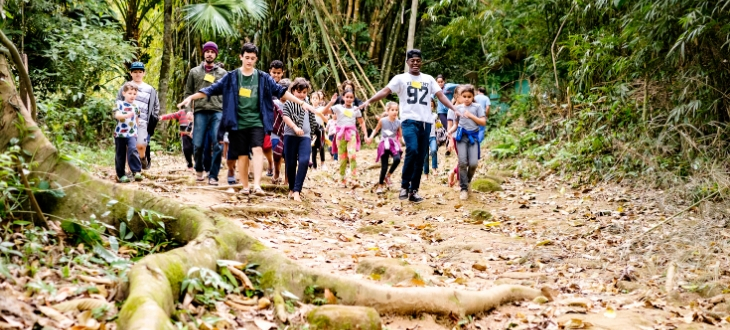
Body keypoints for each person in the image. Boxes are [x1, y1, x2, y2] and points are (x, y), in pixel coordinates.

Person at [177, 43, 317, 196]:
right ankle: (245, 186)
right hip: (237, 122)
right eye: (247, 57)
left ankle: (257, 185)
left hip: (257, 121)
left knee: (257, 149)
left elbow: (281, 92)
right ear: (241, 57)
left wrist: (301, 102)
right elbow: (212, 89)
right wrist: (191, 97)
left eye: (252, 58)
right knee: (243, 155)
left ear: (256, 59)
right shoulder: (232, 77)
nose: (249, 61)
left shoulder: (263, 77)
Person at [359, 49, 458, 203]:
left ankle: (414, 191)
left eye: (418, 60)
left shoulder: (429, 79)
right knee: (412, 149)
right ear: (407, 62)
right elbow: (385, 91)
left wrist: (454, 108)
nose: (416, 63)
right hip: (409, 121)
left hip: (426, 122)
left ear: (421, 62)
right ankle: (404, 185)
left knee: (421, 156)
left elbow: (440, 96)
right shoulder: (401, 79)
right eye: (412, 61)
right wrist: (368, 101)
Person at [182, 41, 227, 185]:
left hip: (217, 111)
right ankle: (199, 168)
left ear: (216, 54)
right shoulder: (194, 72)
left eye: (212, 52)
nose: (210, 54)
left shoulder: (222, 73)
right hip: (200, 111)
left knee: (218, 143)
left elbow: (228, 93)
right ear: (204, 53)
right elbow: (188, 92)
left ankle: (213, 175)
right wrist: (188, 111)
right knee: (198, 144)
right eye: (207, 51)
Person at [319, 89, 368, 187]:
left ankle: (354, 179)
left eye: (351, 97)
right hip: (340, 135)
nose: (349, 99)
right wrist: (331, 102)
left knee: (352, 156)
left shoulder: (356, 109)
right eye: (347, 97)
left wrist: (366, 135)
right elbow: (323, 111)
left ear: (353, 99)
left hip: (352, 134)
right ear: (343, 98)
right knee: (342, 158)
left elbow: (362, 122)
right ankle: (342, 180)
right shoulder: (337, 107)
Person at [116, 61, 160, 171]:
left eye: (140, 72)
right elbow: (118, 103)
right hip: (128, 123)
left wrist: (154, 119)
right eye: (135, 72)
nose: (138, 74)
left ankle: (143, 159)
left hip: (143, 122)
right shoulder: (124, 88)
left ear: (144, 73)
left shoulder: (150, 89)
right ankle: (134, 170)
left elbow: (156, 106)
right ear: (131, 73)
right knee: (131, 147)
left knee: (140, 145)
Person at [446, 85, 487, 200]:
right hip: (461, 137)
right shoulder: (457, 109)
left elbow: (483, 122)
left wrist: (471, 116)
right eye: (464, 96)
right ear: (460, 97)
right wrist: (449, 132)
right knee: (462, 162)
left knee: (473, 163)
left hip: (473, 137)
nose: (467, 99)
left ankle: (467, 182)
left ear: (473, 96)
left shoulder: (477, 107)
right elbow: (455, 125)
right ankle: (463, 188)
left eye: (469, 96)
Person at [281, 78, 319, 202]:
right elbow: (285, 117)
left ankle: (297, 190)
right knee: (290, 163)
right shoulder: (288, 103)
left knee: (304, 161)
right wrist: (295, 127)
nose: (301, 95)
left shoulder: (308, 105)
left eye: (304, 92)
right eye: (299, 92)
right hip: (290, 135)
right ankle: (291, 189)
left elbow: (316, 115)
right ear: (293, 91)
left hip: (305, 137)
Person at [366, 101, 403, 194]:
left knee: (397, 159)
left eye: (396, 110)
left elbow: (401, 136)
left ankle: (388, 176)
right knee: (384, 166)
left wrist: (404, 142)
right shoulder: (383, 121)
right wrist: (370, 137)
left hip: (393, 144)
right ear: (388, 110)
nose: (395, 112)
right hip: (384, 144)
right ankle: (380, 185)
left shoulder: (398, 122)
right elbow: (376, 130)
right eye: (392, 110)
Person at [114, 82, 143, 183]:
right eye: (130, 93)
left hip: (132, 133)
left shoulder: (136, 106)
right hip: (120, 133)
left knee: (133, 149)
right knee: (120, 154)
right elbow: (117, 115)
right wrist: (125, 115)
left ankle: (136, 171)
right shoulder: (119, 103)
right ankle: (121, 174)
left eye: (134, 94)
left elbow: (137, 119)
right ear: (124, 93)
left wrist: (138, 128)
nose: (132, 96)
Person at [265, 60, 286, 177]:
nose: (276, 75)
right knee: (267, 145)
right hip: (268, 119)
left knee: (279, 146)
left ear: (283, 73)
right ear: (270, 72)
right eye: (274, 73)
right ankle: (270, 163)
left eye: (279, 73)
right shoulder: (265, 84)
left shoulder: (284, 86)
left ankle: (276, 170)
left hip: (282, 122)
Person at [309, 90, 327, 170]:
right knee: (313, 148)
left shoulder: (322, 108)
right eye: (313, 98)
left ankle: (323, 164)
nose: (315, 99)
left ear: (320, 100)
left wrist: (320, 114)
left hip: (320, 129)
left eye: (316, 98)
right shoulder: (309, 108)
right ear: (310, 99)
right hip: (312, 130)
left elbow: (326, 119)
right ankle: (314, 166)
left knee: (321, 146)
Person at [423, 112, 439, 179]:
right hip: (424, 137)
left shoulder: (434, 115)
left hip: (432, 137)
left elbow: (437, 123)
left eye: (431, 106)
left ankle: (434, 169)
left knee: (434, 150)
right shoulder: (421, 115)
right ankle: (426, 174)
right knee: (425, 156)